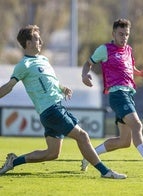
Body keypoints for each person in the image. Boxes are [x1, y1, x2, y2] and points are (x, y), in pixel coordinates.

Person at [0, 25, 126, 179]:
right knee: (82, 136)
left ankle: (14, 161)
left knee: (52, 153)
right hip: (51, 110)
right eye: (37, 39)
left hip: (54, 108)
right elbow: (9, 86)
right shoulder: (23, 65)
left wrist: (62, 88)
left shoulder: (43, 59)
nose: (41, 41)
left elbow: (50, 81)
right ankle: (105, 172)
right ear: (28, 43)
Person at [81, 18, 143, 171]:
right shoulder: (104, 49)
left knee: (124, 141)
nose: (124, 37)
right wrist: (84, 75)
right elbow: (88, 63)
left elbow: (129, 68)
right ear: (113, 33)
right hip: (117, 94)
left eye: (126, 34)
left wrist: (140, 73)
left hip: (128, 93)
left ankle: (89, 155)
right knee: (137, 125)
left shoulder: (128, 49)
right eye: (121, 34)